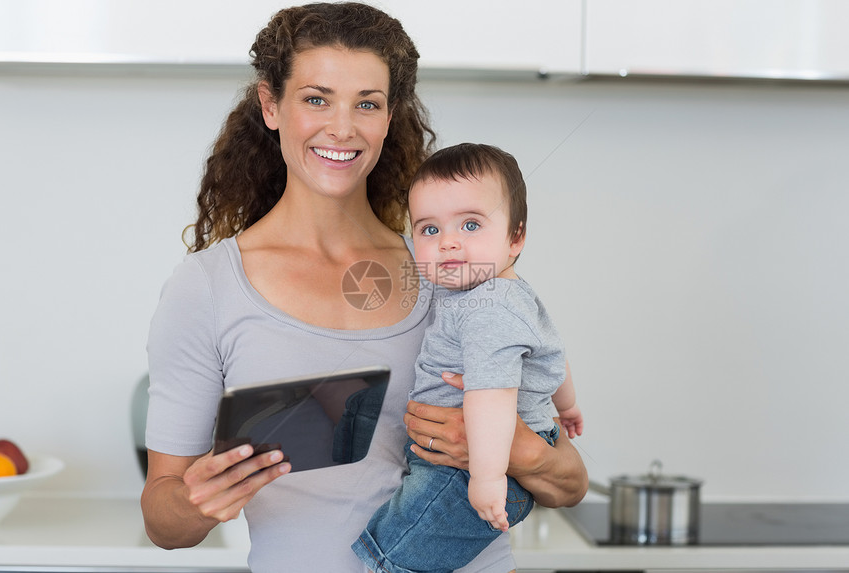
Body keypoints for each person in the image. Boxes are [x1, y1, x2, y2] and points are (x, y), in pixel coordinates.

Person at [141, 4, 588, 572]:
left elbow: (568, 483)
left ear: (389, 117)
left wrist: (520, 450)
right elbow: (163, 519)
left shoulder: (445, 269)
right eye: (316, 98)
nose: (343, 127)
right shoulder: (207, 288)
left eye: (367, 104)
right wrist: (197, 499)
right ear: (270, 105)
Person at [352, 143, 584, 573]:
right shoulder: (491, 291)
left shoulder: (489, 307)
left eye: (471, 224)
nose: (449, 244)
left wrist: (487, 477)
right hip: (468, 465)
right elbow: (554, 353)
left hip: (468, 474)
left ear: (516, 237)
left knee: (392, 558)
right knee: (394, 545)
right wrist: (566, 406)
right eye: (429, 230)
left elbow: (490, 396)